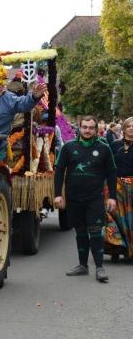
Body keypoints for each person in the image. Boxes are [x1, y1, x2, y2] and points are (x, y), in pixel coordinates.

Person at [54, 116, 117, 283]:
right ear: (79, 129)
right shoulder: (68, 147)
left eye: (91, 127)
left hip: (95, 198)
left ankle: (99, 267)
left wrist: (112, 197)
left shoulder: (104, 148)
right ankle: (83, 266)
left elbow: (112, 174)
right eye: (84, 127)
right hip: (74, 198)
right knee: (80, 232)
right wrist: (58, 194)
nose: (87, 130)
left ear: (96, 130)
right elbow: (59, 171)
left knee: (96, 232)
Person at [104, 116, 133, 260]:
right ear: (124, 128)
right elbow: (107, 166)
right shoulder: (114, 145)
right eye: (129, 126)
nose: (131, 129)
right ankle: (115, 248)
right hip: (116, 186)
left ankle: (130, 251)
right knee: (115, 217)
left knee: (130, 219)